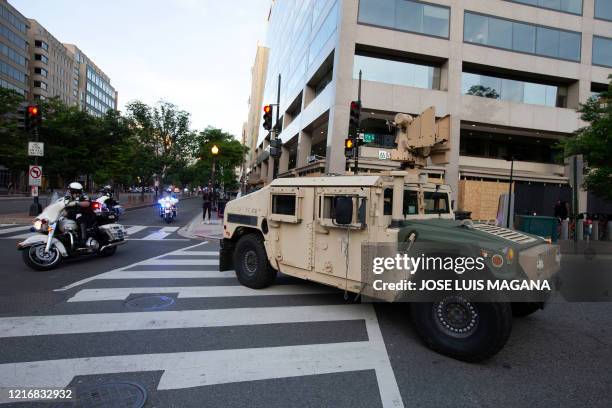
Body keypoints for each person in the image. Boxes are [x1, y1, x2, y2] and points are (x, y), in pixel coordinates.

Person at [65, 182, 95, 247]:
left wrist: (77, 203)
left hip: (87, 215)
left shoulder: (84, 196)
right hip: (73, 214)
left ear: (75, 191)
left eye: (70, 190)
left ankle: (83, 239)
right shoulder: (68, 197)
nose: (69, 191)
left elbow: (87, 203)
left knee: (79, 216)